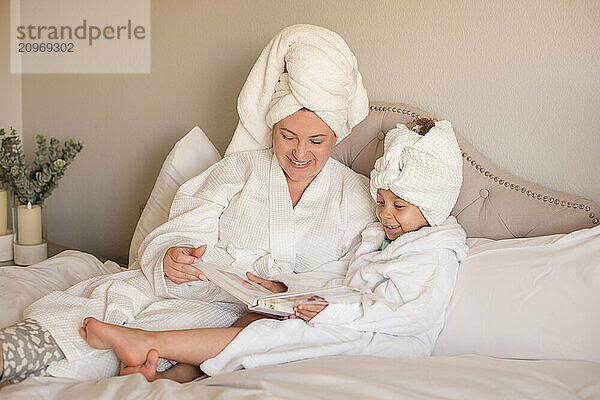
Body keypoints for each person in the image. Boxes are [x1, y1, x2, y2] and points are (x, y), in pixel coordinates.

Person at [0, 24, 375, 385]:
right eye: (287, 136)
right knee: (99, 308)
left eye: (316, 141)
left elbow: (359, 278)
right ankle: (14, 354)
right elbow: (180, 231)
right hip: (201, 292)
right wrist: (171, 258)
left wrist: (286, 288)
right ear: (272, 126)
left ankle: (158, 367)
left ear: (336, 137)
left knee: (230, 336)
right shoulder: (236, 171)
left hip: (265, 320)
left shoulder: (356, 196)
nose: (299, 153)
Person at [78, 119, 469, 383]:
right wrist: (285, 288)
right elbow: (339, 274)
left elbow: (411, 315)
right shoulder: (381, 237)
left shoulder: (434, 253)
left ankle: (147, 341)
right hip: (345, 314)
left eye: (398, 206)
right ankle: (171, 378)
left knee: (275, 335)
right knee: (255, 316)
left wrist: (332, 311)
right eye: (381, 201)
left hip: (387, 340)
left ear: (432, 207)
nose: (386, 214)